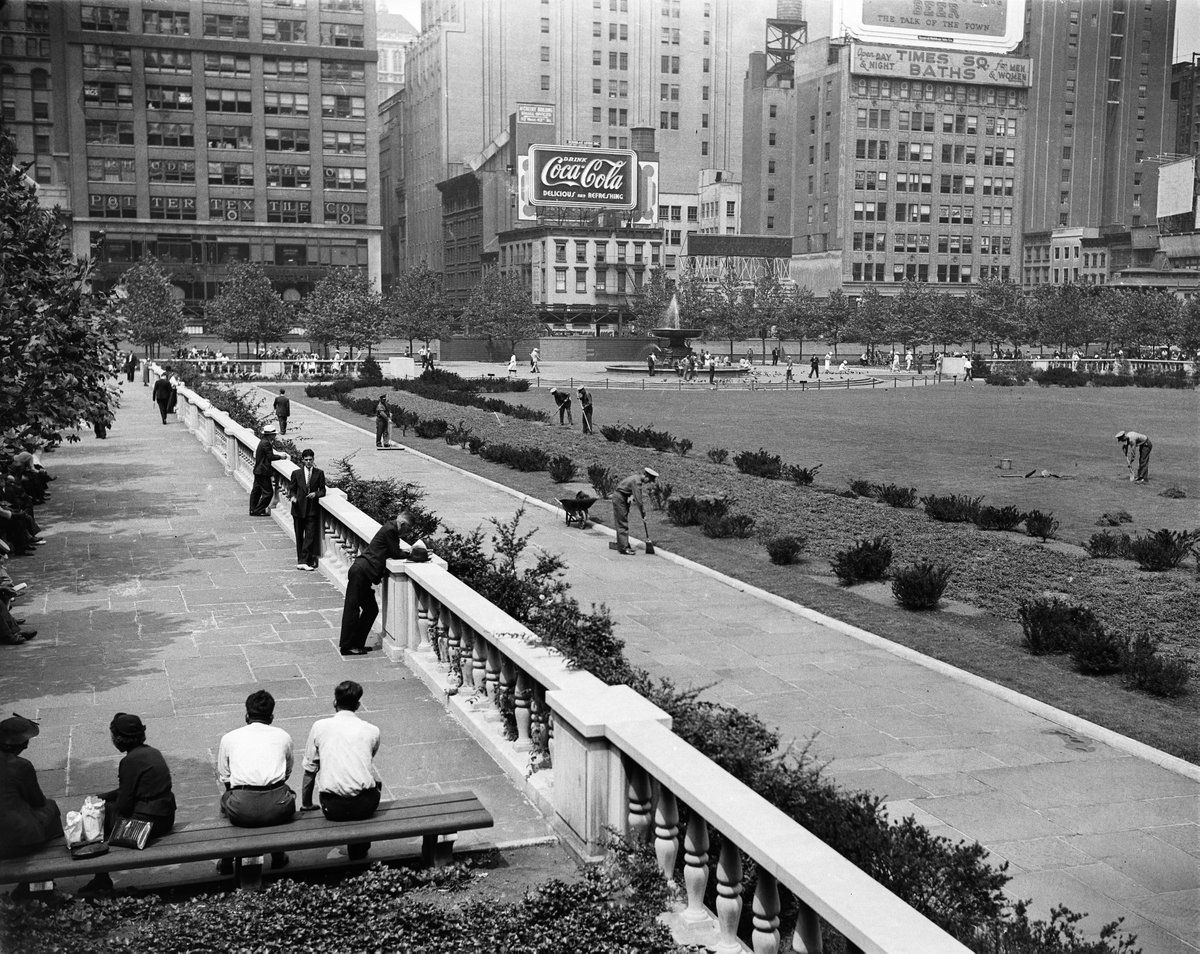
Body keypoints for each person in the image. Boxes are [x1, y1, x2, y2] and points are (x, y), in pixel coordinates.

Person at [81, 713, 175, 894]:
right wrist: (104, 797)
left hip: (146, 825)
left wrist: (99, 808)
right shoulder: (152, 752)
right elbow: (136, 789)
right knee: (103, 810)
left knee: (94, 818)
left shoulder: (129, 761)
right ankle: (101, 878)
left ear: (118, 739)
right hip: (165, 818)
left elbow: (124, 806)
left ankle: (101, 878)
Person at [301, 681, 382, 861]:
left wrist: (306, 803)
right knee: (376, 783)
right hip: (364, 805)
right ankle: (359, 848)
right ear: (358, 705)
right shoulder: (372, 730)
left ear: (334, 703)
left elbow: (310, 770)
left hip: (333, 807)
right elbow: (368, 758)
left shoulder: (319, 727)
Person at [215, 691, 294, 874]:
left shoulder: (229, 738)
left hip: (241, 808)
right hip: (278, 807)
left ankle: (226, 859)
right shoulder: (283, 736)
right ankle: (278, 855)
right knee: (284, 792)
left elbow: (225, 776)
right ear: (272, 716)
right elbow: (286, 772)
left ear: (247, 715)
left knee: (224, 803)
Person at [339, 510, 413, 655]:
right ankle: (347, 646)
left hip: (363, 572)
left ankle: (357, 643)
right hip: (361, 572)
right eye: (408, 529)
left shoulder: (390, 527)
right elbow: (395, 553)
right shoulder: (391, 530)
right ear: (403, 524)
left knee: (371, 609)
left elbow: (392, 550)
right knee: (352, 609)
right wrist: (411, 553)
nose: (407, 533)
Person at [0, 714, 61, 863]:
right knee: (51, 807)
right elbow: (38, 801)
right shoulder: (21, 766)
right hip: (17, 840)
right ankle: (48, 870)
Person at [289, 449, 326, 571]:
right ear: (302, 461)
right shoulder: (296, 473)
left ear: (313, 459)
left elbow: (323, 491)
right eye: (306, 460)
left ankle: (304, 561)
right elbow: (292, 489)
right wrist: (293, 497)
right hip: (298, 509)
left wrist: (315, 494)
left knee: (309, 536)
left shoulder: (319, 473)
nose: (309, 462)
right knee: (299, 536)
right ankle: (302, 560)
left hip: (311, 510)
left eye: (310, 460)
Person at [611, 468, 656, 556]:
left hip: (622, 497)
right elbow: (639, 500)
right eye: (650, 480)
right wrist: (643, 514)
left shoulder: (636, 478)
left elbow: (632, 494)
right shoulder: (637, 482)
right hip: (620, 498)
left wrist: (630, 497)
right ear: (646, 476)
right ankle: (623, 548)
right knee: (622, 522)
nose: (649, 482)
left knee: (621, 520)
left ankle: (622, 543)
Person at [249, 424, 288, 516]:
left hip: (258, 470)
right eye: (273, 434)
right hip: (263, 471)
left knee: (256, 491)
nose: (275, 436)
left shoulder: (263, 441)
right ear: (269, 434)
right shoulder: (266, 443)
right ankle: (258, 510)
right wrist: (281, 457)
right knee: (268, 493)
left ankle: (253, 509)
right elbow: (270, 457)